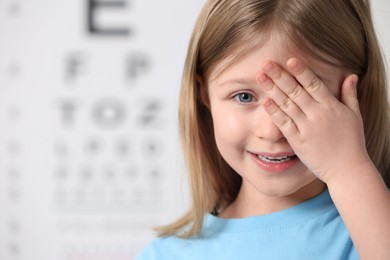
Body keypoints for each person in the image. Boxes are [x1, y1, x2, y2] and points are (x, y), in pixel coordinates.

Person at [136, 0, 390, 259]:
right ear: (205, 96)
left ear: (358, 93)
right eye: (244, 97)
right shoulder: (165, 254)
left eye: (300, 96)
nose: (272, 131)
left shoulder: (374, 229)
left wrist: (348, 171)